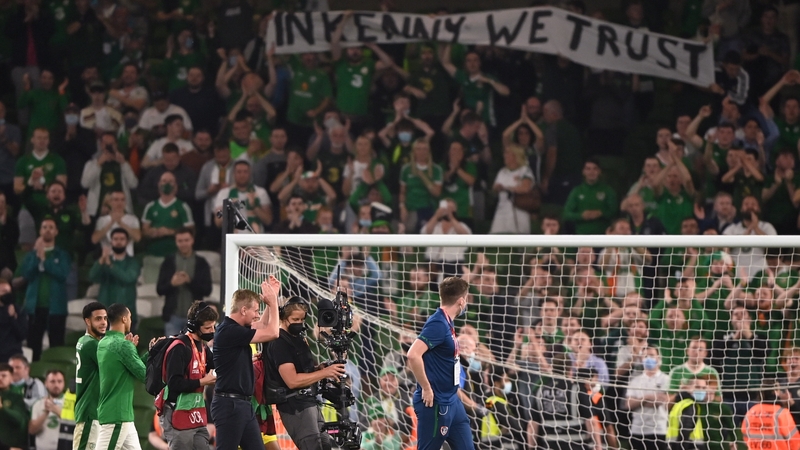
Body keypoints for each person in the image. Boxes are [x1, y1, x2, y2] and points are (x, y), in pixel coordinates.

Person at [263, 297, 345, 450]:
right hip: (295, 405)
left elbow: (305, 371)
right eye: (295, 319)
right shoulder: (279, 341)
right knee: (312, 446)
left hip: (310, 401)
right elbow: (292, 380)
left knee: (325, 445)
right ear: (283, 317)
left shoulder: (299, 338)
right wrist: (324, 373)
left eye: (302, 319)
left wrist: (320, 368)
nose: (299, 323)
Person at [211, 277, 281, 450]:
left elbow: (264, 324)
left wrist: (274, 296)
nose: (257, 314)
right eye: (255, 310)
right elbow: (273, 332)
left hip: (243, 404)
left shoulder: (234, 329)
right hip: (230, 405)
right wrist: (272, 304)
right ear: (243, 310)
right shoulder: (229, 330)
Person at [406, 276, 474, 450]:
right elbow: (413, 355)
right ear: (461, 301)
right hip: (436, 403)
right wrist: (426, 388)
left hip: (452, 400)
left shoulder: (447, 322)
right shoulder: (438, 323)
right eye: (465, 299)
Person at [96, 303, 158, 450]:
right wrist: (155, 354)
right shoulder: (123, 346)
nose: (131, 320)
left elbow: (128, 368)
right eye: (129, 317)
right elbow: (144, 374)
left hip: (120, 415)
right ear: (124, 319)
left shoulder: (103, 342)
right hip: (117, 415)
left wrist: (148, 353)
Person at [160, 301, 217, 450]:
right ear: (194, 326)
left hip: (196, 411)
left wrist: (246, 360)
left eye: (213, 326)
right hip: (177, 410)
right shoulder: (179, 347)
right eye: (207, 328)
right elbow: (174, 383)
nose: (212, 331)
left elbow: (218, 365)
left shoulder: (203, 347)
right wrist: (202, 381)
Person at [20, 218, 71, 361]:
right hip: (35, 308)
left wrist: (45, 260)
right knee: (33, 346)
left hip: (56, 308)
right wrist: (37, 257)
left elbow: (62, 274)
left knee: (56, 346)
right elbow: (27, 274)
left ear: (56, 232)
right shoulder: (31, 255)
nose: (47, 229)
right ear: (40, 231)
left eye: (51, 227)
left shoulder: (62, 255)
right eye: (44, 227)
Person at [156, 228, 212, 336]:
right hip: (172, 317)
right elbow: (160, 289)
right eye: (180, 241)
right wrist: (172, 284)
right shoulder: (168, 262)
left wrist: (189, 282)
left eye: (186, 240)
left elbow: (207, 289)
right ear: (176, 242)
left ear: (192, 240)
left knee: (193, 351)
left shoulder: (201, 263)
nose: (183, 244)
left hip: (195, 318)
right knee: (172, 350)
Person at [88, 228, 140, 329]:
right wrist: (101, 261)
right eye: (115, 239)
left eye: (122, 239)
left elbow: (128, 278)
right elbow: (92, 277)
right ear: (111, 241)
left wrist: (110, 265)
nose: (118, 242)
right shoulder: (104, 261)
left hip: (126, 313)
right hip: (105, 313)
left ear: (127, 241)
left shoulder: (133, 262)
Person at [73, 302, 108, 450]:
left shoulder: (83, 341)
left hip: (92, 412)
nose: (104, 323)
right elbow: (115, 366)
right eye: (98, 319)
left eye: (105, 318)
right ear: (87, 321)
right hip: (90, 413)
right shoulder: (92, 344)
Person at [625, 346, 670, 450]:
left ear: (658, 358)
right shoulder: (634, 381)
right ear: (641, 359)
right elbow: (628, 404)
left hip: (658, 430)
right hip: (637, 429)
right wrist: (647, 398)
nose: (648, 358)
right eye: (645, 356)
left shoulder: (666, 379)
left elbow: (662, 401)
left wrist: (639, 400)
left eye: (652, 355)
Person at [141, 172, 195, 257]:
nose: (167, 184)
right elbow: (144, 230)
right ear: (159, 185)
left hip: (176, 252)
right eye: (164, 181)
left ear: (176, 186)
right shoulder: (150, 206)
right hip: (153, 251)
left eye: (170, 181)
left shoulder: (182, 206)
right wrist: (153, 232)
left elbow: (190, 231)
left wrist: (170, 232)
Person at [742, 379, 800, 450]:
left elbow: (745, 435)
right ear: (775, 392)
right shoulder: (782, 413)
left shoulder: (751, 411)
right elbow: (794, 441)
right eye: (779, 390)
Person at [666, 377, 710, 450]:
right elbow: (685, 431)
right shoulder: (690, 405)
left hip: (672, 444)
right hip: (690, 446)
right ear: (688, 388)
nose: (701, 390)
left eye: (703, 388)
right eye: (697, 387)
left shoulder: (679, 403)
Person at [28, 369, 66, 450]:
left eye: (59, 381)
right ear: (46, 383)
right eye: (52, 381)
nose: (56, 385)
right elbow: (32, 430)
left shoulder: (72, 402)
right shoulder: (38, 404)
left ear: (64, 383)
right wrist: (45, 412)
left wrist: (58, 412)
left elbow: (77, 426)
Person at [0, 362, 29, 450]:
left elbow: (19, 420)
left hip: (11, 446)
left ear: (11, 378)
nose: (0, 378)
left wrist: (2, 408)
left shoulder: (17, 398)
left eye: (4, 376)